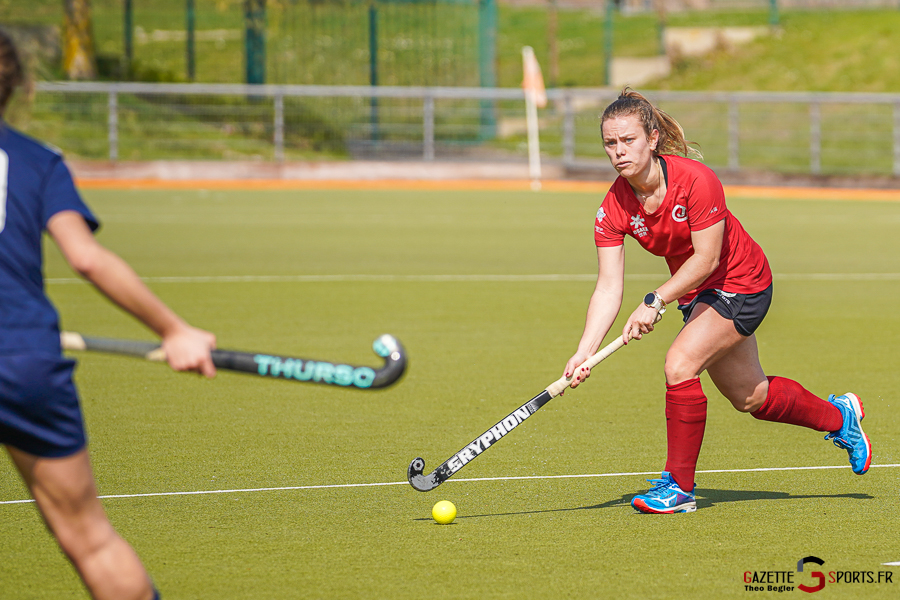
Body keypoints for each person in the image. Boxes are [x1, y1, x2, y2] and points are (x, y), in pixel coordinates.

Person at [562, 88, 871, 514]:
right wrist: (584, 351)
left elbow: (706, 258)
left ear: (652, 139)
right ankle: (842, 419)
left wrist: (656, 299)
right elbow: (608, 287)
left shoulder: (695, 181)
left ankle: (679, 488)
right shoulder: (613, 206)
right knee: (751, 397)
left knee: (679, 364)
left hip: (741, 281)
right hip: (697, 293)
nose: (618, 152)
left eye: (628, 140)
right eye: (610, 143)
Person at [0, 31, 217, 598]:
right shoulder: (36, 162)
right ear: (22, 87)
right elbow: (87, 259)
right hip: (22, 359)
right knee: (90, 539)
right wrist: (173, 331)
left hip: (20, 351)